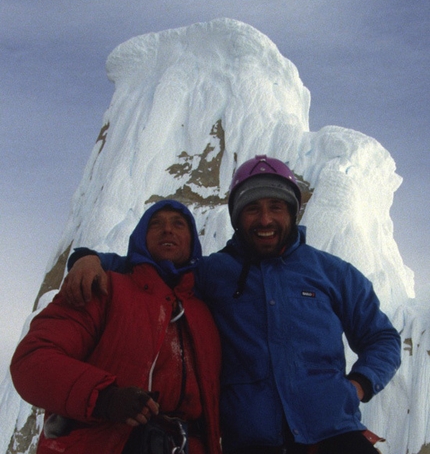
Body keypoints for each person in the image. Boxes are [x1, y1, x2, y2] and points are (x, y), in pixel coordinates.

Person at [60, 155, 401, 454]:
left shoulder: (333, 272)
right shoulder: (213, 273)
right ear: (237, 218)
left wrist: (359, 385)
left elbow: (382, 338)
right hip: (251, 441)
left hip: (335, 435)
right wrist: (88, 259)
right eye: (252, 208)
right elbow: (152, 271)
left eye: (276, 207)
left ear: (292, 212)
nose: (264, 219)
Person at [10, 200, 222, 454]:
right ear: (140, 240)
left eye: (178, 224)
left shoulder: (204, 314)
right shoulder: (103, 289)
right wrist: (104, 398)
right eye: (156, 224)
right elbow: (33, 359)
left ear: (193, 243)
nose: (167, 230)